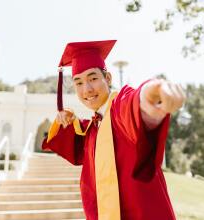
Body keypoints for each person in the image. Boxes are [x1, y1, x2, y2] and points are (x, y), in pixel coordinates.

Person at [42, 40, 186, 220]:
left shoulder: (119, 107)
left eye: (93, 78)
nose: (86, 89)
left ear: (108, 78)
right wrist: (67, 121)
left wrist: (152, 93)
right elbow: (74, 148)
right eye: (78, 82)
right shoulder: (93, 128)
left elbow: (134, 104)